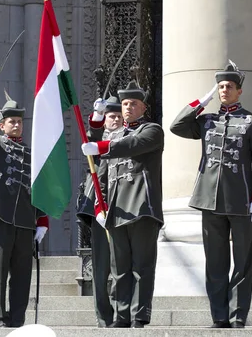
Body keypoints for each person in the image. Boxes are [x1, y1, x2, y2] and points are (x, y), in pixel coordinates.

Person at [170, 63, 252, 329]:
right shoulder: (206, 121)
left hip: (241, 201)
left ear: (239, 91)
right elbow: (177, 126)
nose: (224, 90)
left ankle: (238, 315)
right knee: (215, 263)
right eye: (220, 87)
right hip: (209, 200)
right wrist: (200, 102)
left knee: (243, 263)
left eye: (229, 86)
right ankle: (219, 316)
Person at [81, 81, 164, 328]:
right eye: (125, 104)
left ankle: (139, 315)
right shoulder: (114, 135)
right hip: (116, 211)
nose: (128, 108)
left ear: (143, 108)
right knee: (119, 269)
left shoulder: (151, 130)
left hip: (141, 207)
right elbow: (102, 175)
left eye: (133, 104)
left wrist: (101, 146)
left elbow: (132, 146)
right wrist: (99, 207)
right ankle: (122, 315)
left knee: (141, 266)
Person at [0, 92, 49, 328]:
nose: (17, 125)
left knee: (22, 275)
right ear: (3, 125)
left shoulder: (32, 155)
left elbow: (40, 189)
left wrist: (42, 221)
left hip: (25, 220)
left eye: (19, 121)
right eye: (11, 121)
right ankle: (0, 317)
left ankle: (18, 318)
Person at [76, 96, 123, 327]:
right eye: (111, 116)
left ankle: (122, 311)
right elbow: (92, 137)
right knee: (102, 265)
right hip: (100, 209)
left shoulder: (128, 138)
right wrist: (96, 115)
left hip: (124, 207)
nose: (115, 119)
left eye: (118, 116)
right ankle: (104, 316)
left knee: (122, 264)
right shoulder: (97, 142)